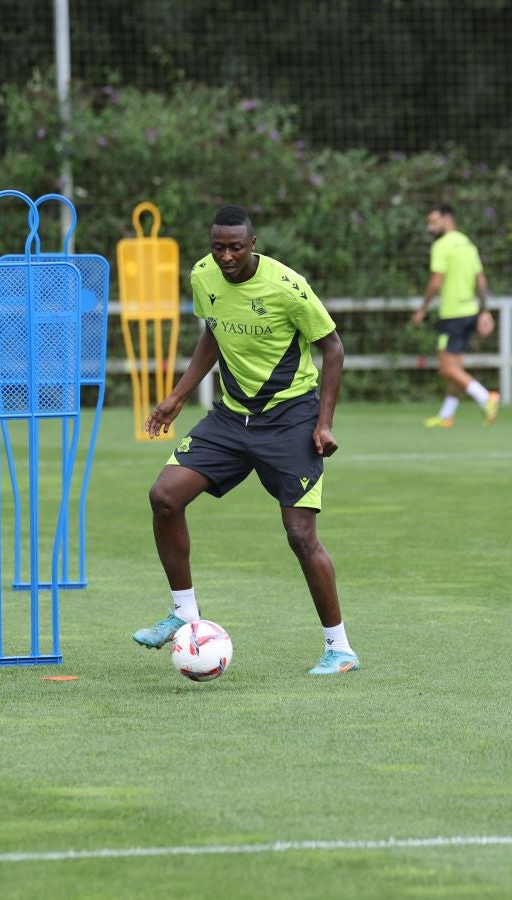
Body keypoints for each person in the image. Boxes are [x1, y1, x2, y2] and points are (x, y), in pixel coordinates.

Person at [131, 205, 359, 676]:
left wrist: (324, 422)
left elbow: (332, 348)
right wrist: (177, 396)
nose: (227, 256)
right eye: (218, 247)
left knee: (300, 536)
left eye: (236, 247)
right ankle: (183, 613)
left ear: (253, 243)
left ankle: (340, 649)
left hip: (292, 419)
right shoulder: (203, 277)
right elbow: (212, 334)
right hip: (232, 419)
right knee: (164, 496)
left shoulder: (287, 287)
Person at [411, 205, 499, 428]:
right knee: (455, 369)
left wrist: (422, 308)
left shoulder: (442, 245)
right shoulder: (468, 244)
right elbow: (481, 280)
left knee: (447, 369)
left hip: (452, 315)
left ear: (446, 219)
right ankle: (446, 415)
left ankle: (485, 397)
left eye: (433, 222)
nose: (430, 227)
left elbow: (436, 281)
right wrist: (485, 310)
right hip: (470, 312)